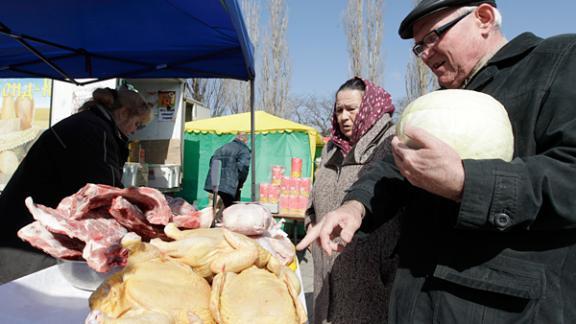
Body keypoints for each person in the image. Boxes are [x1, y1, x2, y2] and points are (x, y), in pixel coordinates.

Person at [298, 1, 576, 323]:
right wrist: (355, 207)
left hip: (508, 311)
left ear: (483, 18)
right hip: (416, 304)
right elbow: (393, 165)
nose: (426, 54)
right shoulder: (441, 98)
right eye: (419, 47)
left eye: (433, 37)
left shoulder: (560, 61)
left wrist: (467, 181)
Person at [0, 87, 152, 284]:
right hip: (26, 235)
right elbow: (102, 193)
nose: (134, 131)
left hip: (22, 225)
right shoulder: (96, 131)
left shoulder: (90, 124)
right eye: (137, 124)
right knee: (27, 300)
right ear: (123, 113)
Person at [305, 77, 398, 324]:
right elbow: (312, 200)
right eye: (338, 110)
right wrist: (311, 223)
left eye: (351, 109)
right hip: (326, 270)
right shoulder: (330, 150)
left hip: (371, 276)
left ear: (370, 108)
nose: (343, 117)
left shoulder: (392, 145)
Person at [204, 132, 251, 208]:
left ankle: (217, 219)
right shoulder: (243, 149)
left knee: (217, 209)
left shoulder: (222, 148)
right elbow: (243, 168)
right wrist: (240, 184)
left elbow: (212, 162)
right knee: (231, 210)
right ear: (246, 140)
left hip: (215, 184)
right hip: (230, 185)